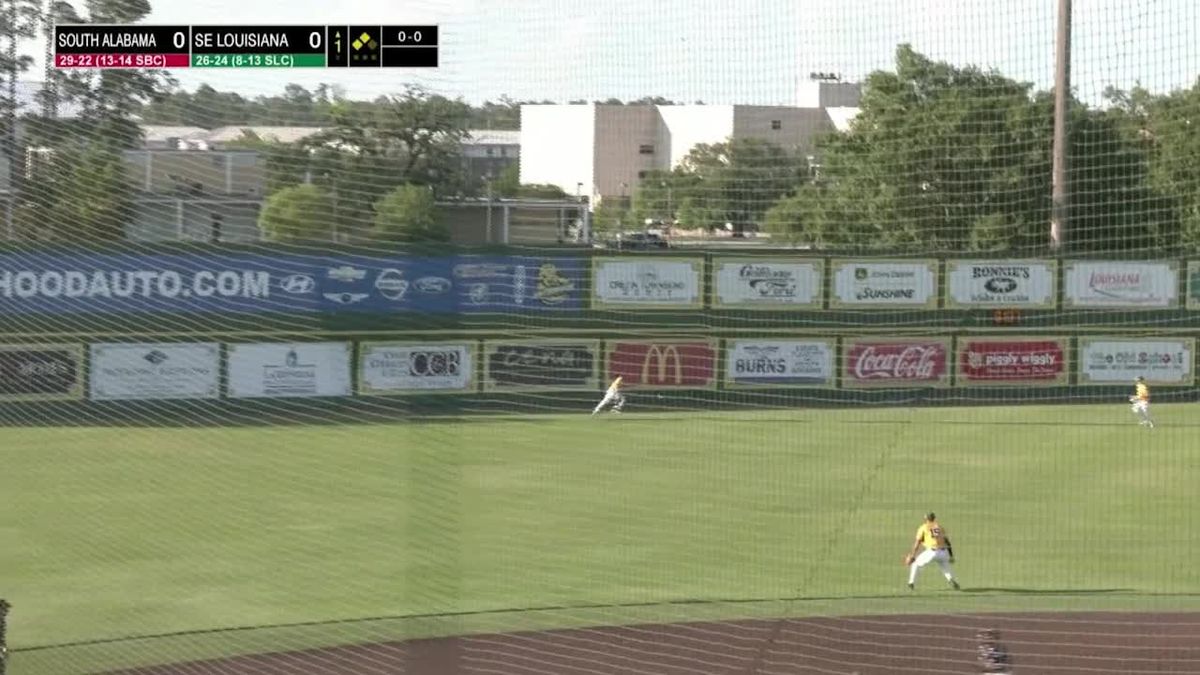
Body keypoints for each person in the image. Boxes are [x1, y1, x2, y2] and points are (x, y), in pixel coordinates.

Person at [905, 512, 960, 591]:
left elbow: (917, 542)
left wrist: (913, 555)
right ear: (934, 518)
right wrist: (951, 555)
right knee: (944, 566)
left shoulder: (923, 527)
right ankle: (951, 580)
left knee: (915, 564)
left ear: (926, 519)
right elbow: (947, 542)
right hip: (944, 552)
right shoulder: (939, 527)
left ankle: (911, 583)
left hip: (932, 552)